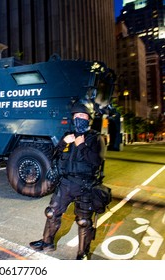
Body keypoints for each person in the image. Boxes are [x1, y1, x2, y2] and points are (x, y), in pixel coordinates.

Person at [29, 99, 105, 260]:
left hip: (85, 185)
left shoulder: (96, 138)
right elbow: (55, 154)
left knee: (84, 221)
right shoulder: (68, 136)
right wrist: (64, 142)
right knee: (51, 213)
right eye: (77, 115)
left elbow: (96, 161)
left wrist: (82, 145)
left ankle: (82, 253)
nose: (79, 118)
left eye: (83, 115)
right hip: (65, 183)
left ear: (89, 118)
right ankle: (47, 242)